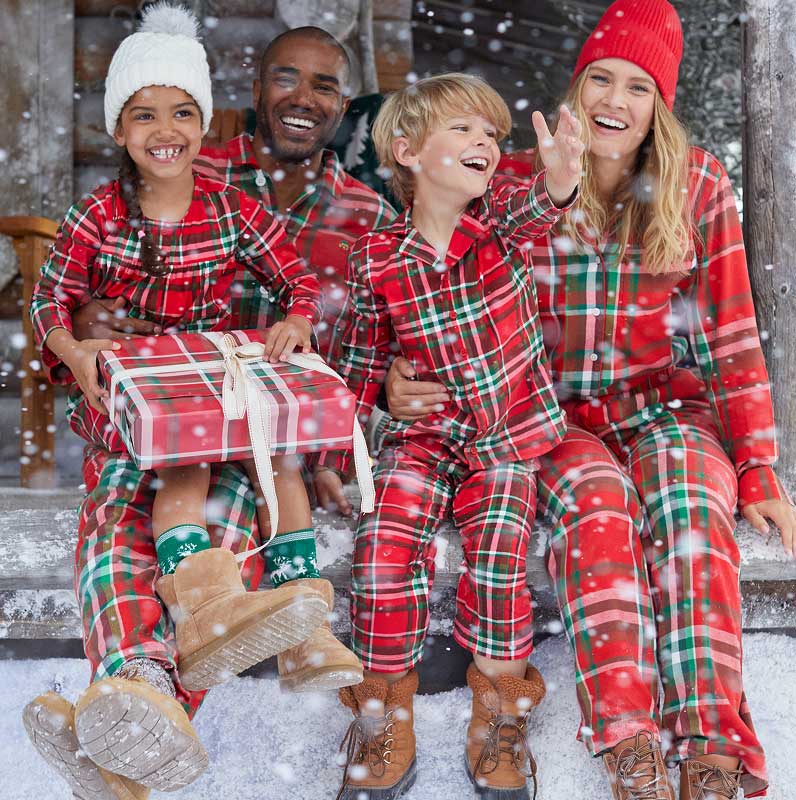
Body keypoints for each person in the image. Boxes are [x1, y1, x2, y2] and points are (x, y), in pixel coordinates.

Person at [383, 2, 795, 798]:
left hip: (659, 406)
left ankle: (711, 742)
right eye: (601, 78)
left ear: (659, 104)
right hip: (549, 414)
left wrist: (759, 465)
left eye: (638, 86)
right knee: (600, 509)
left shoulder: (697, 182)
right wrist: (398, 379)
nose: (616, 99)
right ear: (576, 88)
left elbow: (732, 335)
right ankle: (629, 741)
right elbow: (428, 282)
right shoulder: (512, 182)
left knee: (687, 507)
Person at [22, 18, 395, 800]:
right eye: (146, 115)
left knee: (216, 510)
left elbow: (311, 296)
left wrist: (299, 333)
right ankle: (136, 697)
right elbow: (50, 298)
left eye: (182, 112)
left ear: (204, 116)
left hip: (225, 413)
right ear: (118, 128)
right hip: (134, 408)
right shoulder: (114, 205)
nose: (167, 132)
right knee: (113, 524)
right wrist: (75, 342)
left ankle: (132, 709)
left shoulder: (252, 208)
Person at [319, 73, 584, 800]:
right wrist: (376, 405)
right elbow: (359, 364)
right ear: (406, 150)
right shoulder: (377, 258)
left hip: (503, 438)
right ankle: (382, 709)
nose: (485, 145)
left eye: (493, 136)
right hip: (425, 440)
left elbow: (537, 208)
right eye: (464, 131)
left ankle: (500, 711)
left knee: (499, 551)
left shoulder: (499, 222)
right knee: (384, 544)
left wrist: (558, 183)